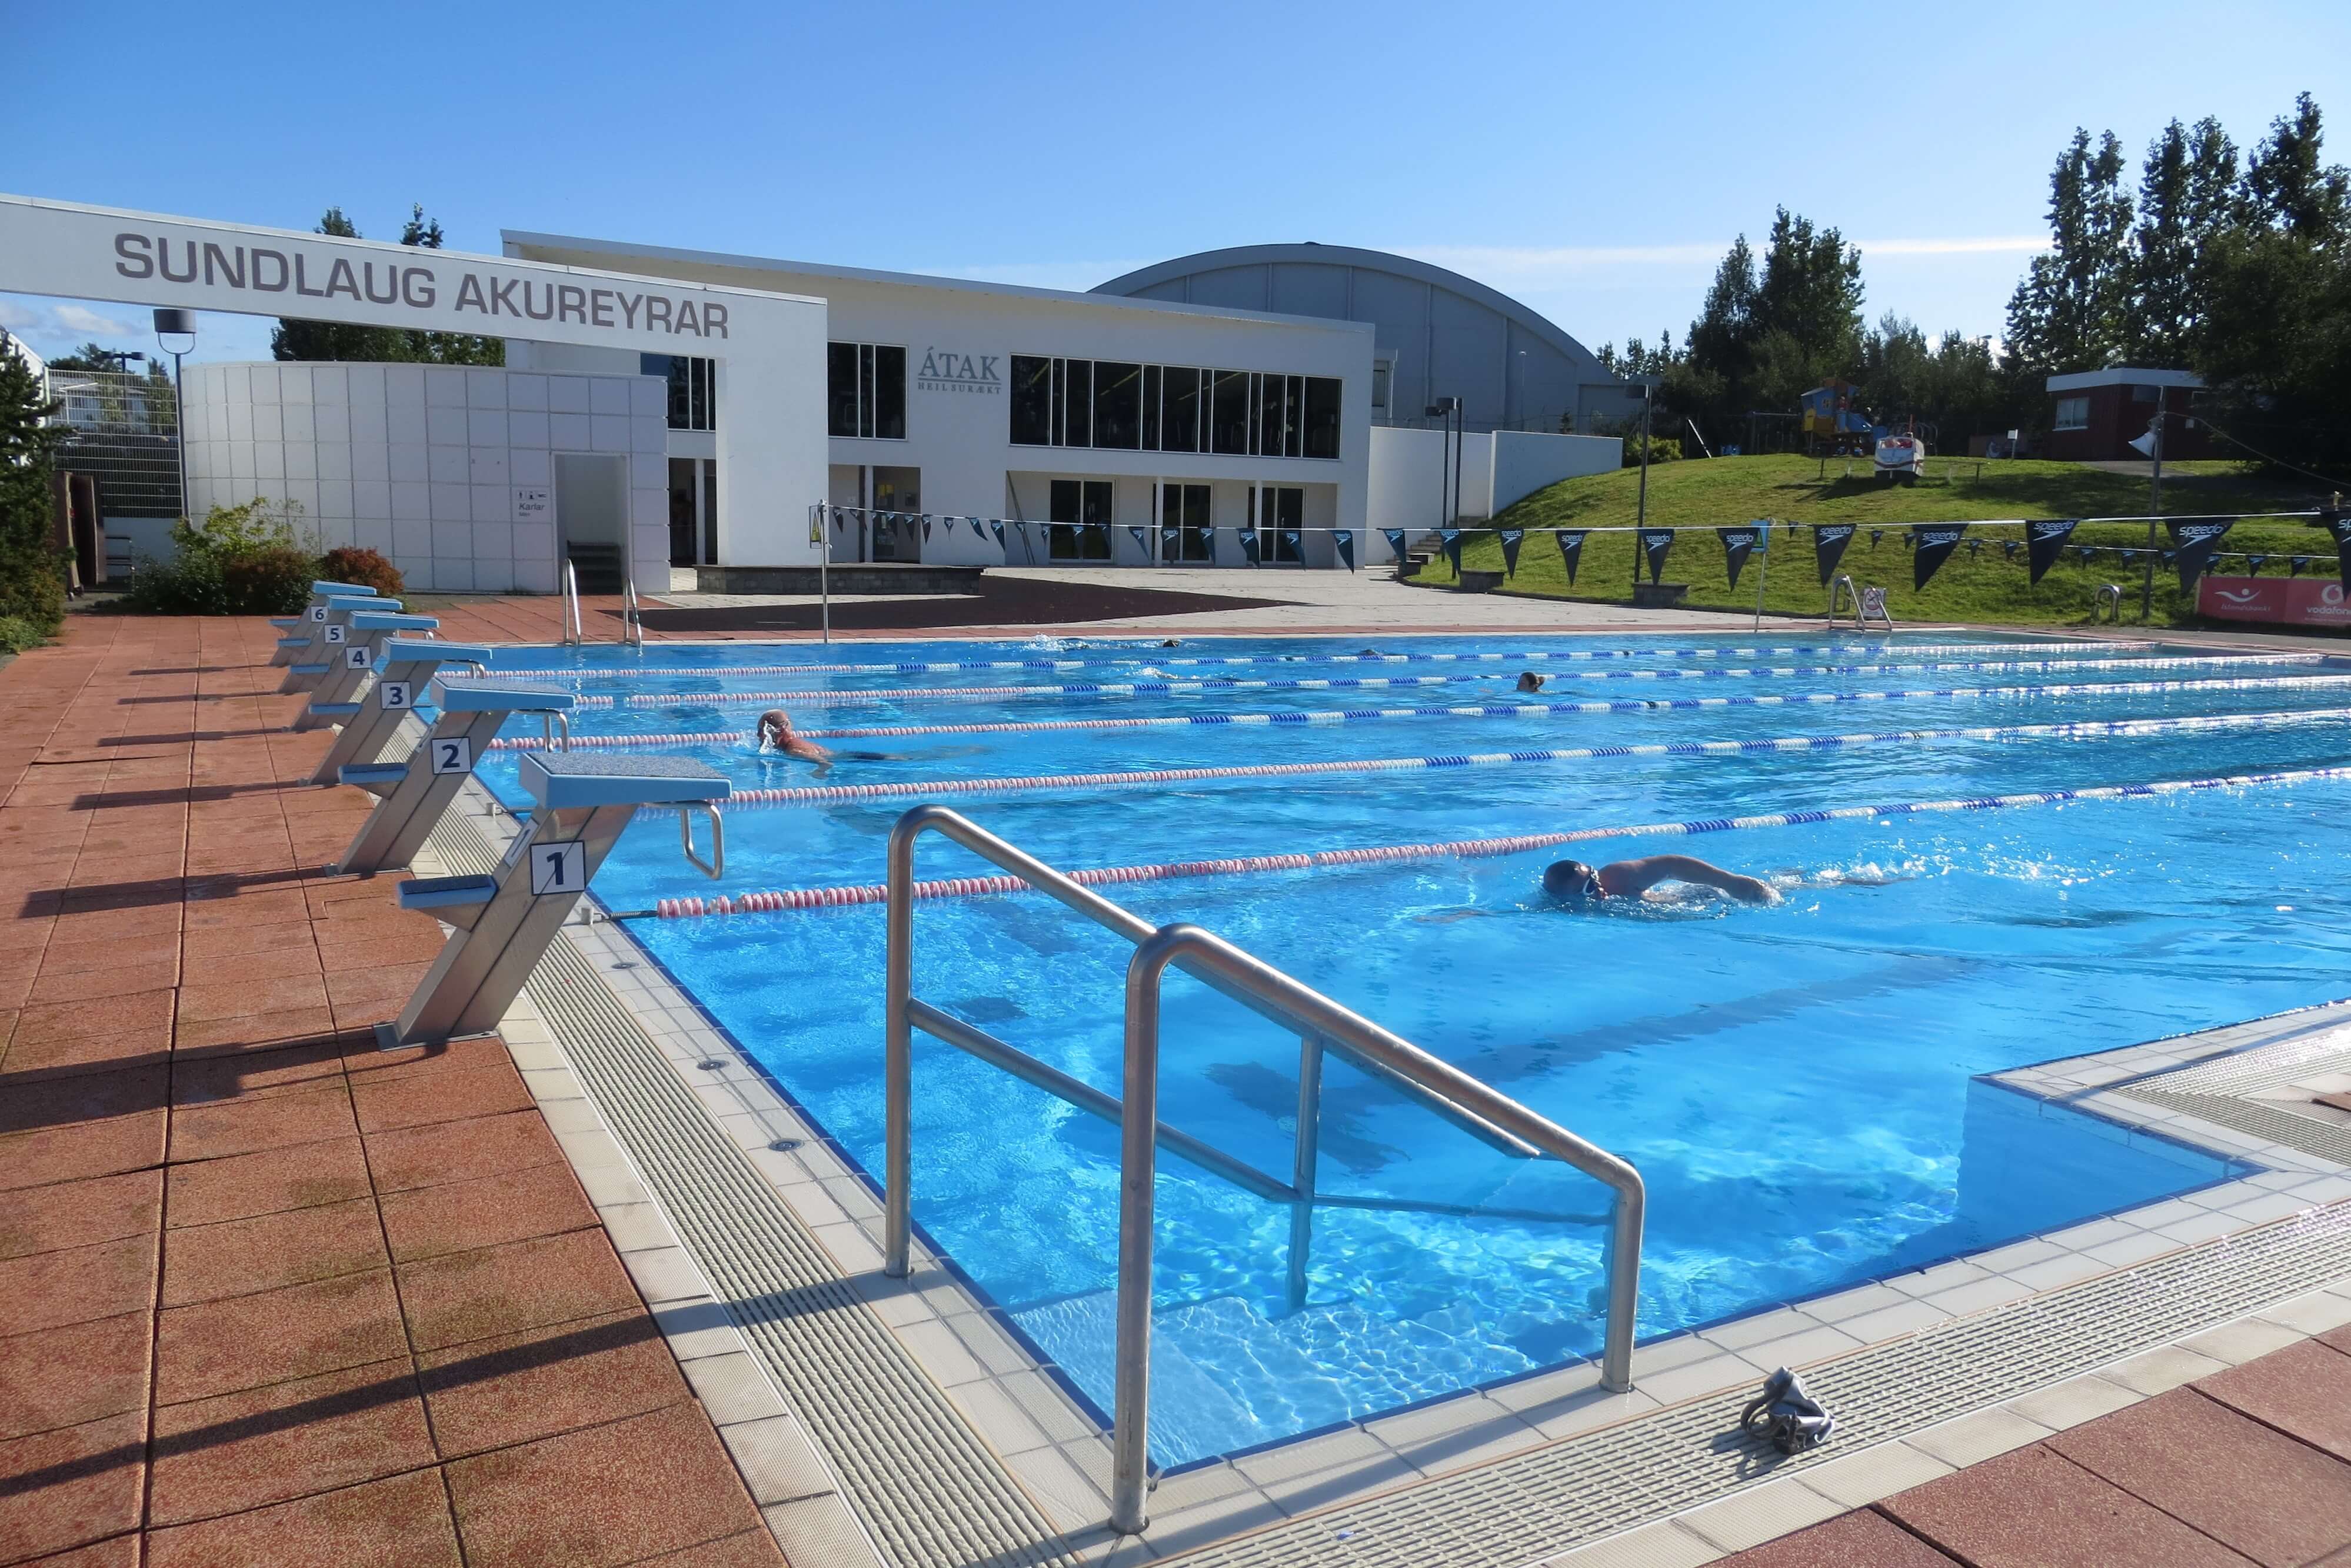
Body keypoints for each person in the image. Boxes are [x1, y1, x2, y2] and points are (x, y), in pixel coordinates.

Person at [1544, 855, 1780, 907]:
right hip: (1682, 903)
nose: (1598, 889)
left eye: (1594, 878)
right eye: (1587, 890)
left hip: (1703, 895)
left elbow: (1671, 866)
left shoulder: (1618, 876)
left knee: (1767, 892)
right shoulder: (1562, 909)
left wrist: (1728, 881)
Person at [755, 710, 835, 775]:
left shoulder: (794, 751)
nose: (758, 735)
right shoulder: (790, 745)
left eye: (762, 731)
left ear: (779, 731)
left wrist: (819, 772)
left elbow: (826, 763)